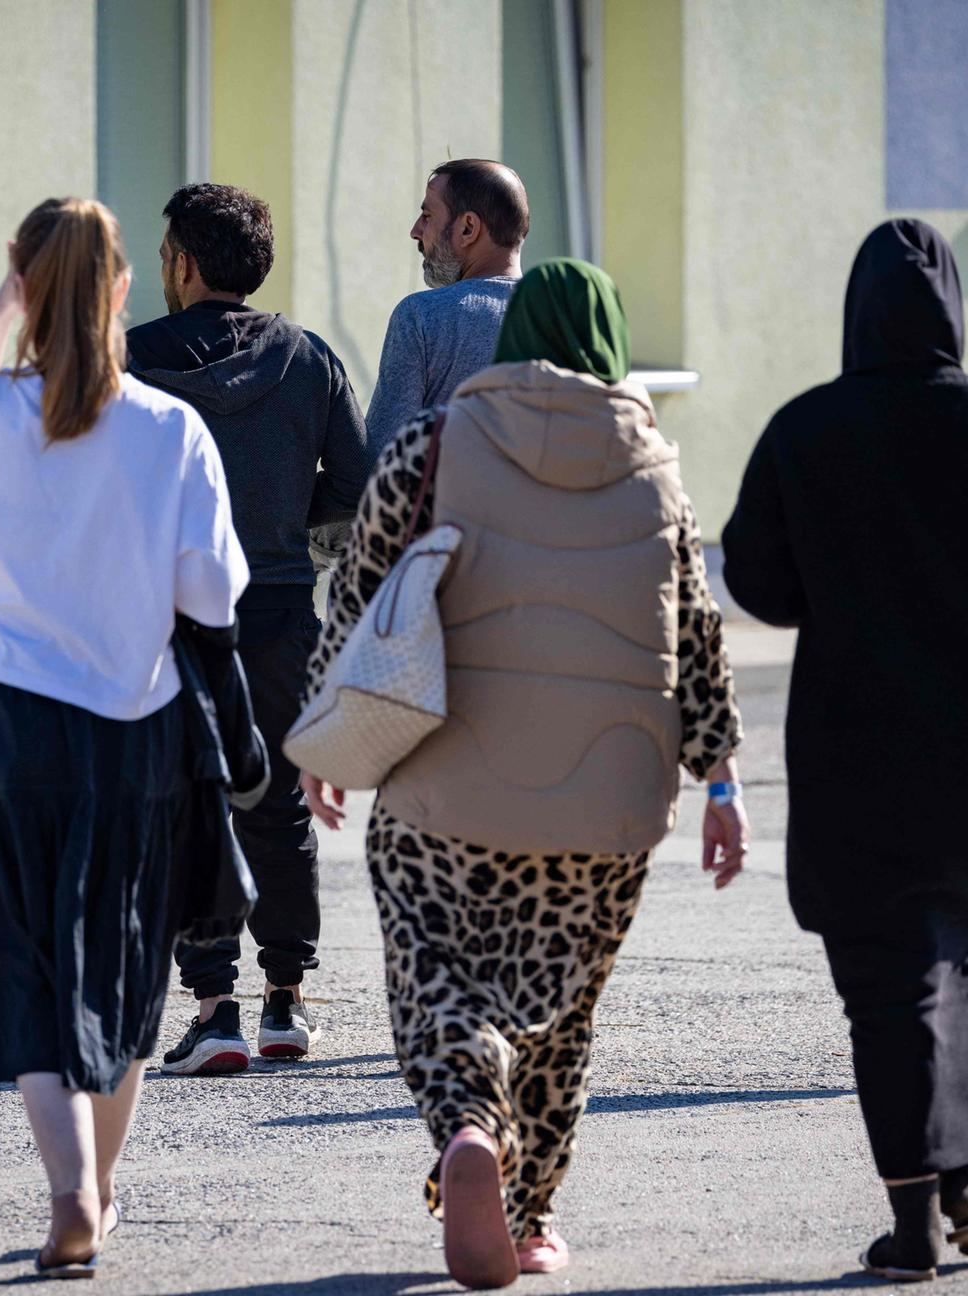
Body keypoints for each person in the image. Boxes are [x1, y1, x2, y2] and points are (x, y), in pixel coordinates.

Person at [298, 259, 748, 1288]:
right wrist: (720, 780)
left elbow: (361, 598)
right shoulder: (656, 469)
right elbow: (699, 638)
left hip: (440, 790)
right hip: (609, 809)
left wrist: (322, 742)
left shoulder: (434, 444)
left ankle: (466, 1127)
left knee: (436, 970)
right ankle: (534, 1216)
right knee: (558, 1011)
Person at [0, 198, 249, 1276]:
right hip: (131, 728)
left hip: (9, 725)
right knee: (123, 961)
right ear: (121, 292)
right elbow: (210, 594)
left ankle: (70, 1194)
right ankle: (101, 1188)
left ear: (26, 285)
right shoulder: (168, 429)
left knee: (20, 960)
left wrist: (9, 296)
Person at [722, 219, 968, 1284]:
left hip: (855, 750)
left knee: (892, 985)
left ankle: (914, 1219)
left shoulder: (804, 430)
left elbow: (758, 587)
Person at [126, 184, 369, 1074]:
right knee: (278, 807)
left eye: (164, 255)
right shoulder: (307, 358)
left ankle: (214, 1009)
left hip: (167, 617)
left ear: (185, 264)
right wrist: (278, 522)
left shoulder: (128, 359)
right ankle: (285, 1005)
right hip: (276, 611)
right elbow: (356, 483)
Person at [365, 159, 528, 455]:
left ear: (468, 228)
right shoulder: (565, 324)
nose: (415, 231)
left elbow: (381, 456)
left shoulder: (421, 316)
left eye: (427, 215)